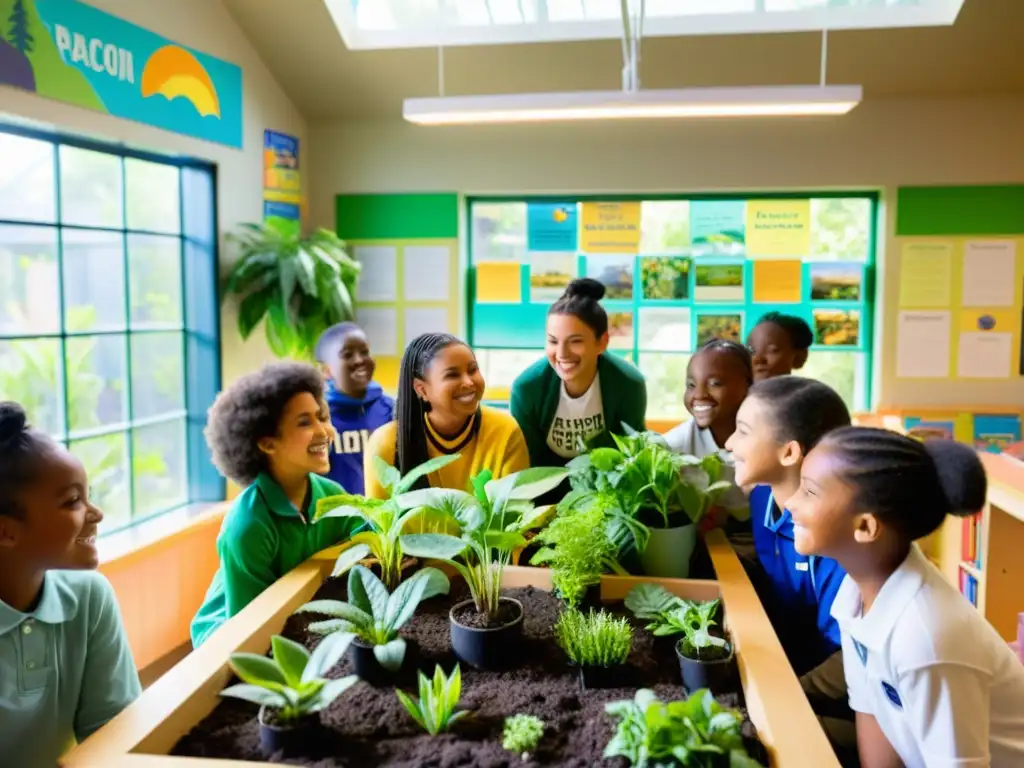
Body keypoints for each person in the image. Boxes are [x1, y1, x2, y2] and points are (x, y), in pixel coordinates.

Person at [788, 427, 1024, 767]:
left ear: (866, 528)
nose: (792, 503)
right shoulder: (854, 592)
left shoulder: (926, 636)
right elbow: (872, 712)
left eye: (809, 492)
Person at [0, 401, 140, 766]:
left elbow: (114, 735)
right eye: (73, 501)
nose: (96, 514)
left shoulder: (89, 597)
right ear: (5, 531)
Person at [724, 376, 854, 756]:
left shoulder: (841, 538)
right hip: (793, 665)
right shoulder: (763, 496)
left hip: (845, 700)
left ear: (789, 453)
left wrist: (781, 693)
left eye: (743, 432)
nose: (729, 443)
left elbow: (855, 659)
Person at [190, 363, 362, 647]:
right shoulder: (248, 527)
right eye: (305, 422)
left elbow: (372, 534)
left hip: (298, 617)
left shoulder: (331, 494)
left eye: (322, 417)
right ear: (268, 444)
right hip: (226, 641)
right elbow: (249, 626)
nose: (324, 432)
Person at [364, 333, 529, 497]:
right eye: (452, 375)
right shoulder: (386, 444)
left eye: (473, 370)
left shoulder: (505, 431)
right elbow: (380, 519)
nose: (468, 382)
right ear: (421, 389)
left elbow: (514, 514)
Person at [511, 278, 647, 467]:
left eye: (575, 341)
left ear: (602, 342)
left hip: (606, 489)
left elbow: (631, 456)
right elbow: (525, 461)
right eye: (553, 341)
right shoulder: (527, 388)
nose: (562, 354)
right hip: (542, 490)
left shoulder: (628, 384)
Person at [663, 339, 752, 519]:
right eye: (691, 385)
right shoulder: (673, 447)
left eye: (714, 383)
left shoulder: (767, 439)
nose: (699, 394)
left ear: (747, 386)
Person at [315, 322, 394, 495]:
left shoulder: (390, 409)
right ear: (326, 370)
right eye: (347, 355)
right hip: (337, 517)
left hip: (383, 517)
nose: (359, 360)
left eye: (365, 352)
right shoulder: (318, 416)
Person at [747, 311, 813, 382]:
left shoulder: (812, 392)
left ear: (800, 357)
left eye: (773, 350)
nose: (757, 359)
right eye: (751, 351)